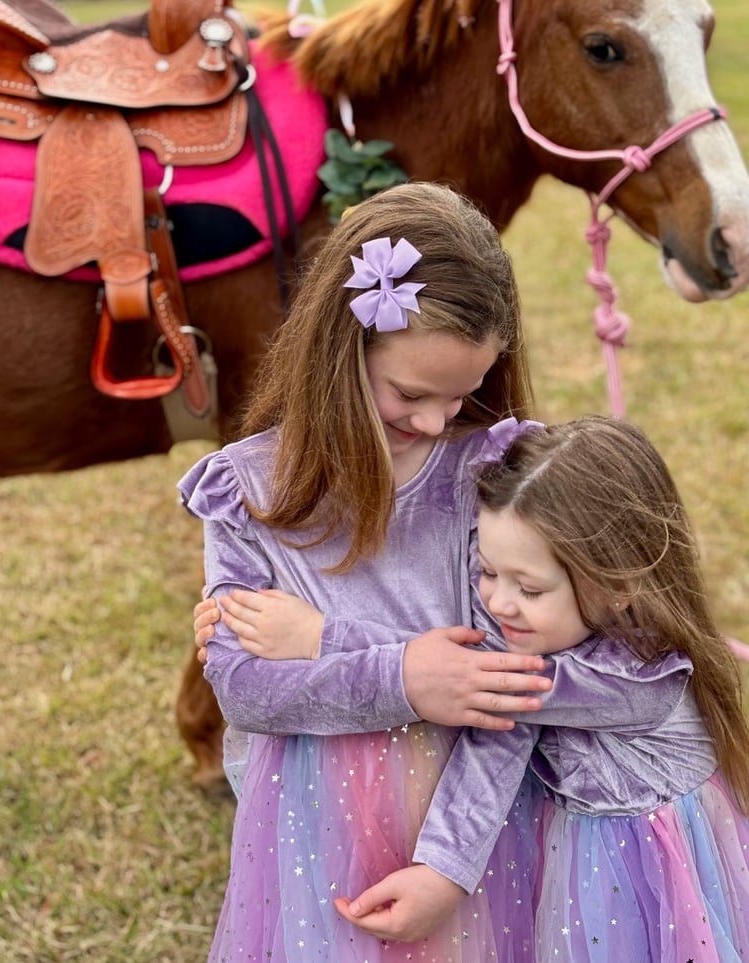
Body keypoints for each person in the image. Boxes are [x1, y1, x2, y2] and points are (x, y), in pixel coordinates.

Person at [178, 182, 553, 962]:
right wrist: (405, 677)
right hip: (318, 821)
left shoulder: (486, 471)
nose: (435, 420)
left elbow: (512, 678)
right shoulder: (249, 490)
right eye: (410, 393)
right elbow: (244, 687)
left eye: (464, 394)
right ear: (341, 351)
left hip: (471, 824)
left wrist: (448, 865)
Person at [244, 415, 749, 961]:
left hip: (644, 878)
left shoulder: (630, 680)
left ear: (618, 586)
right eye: (488, 572)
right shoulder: (548, 639)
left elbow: (466, 673)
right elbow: (488, 716)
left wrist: (320, 636)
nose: (500, 604)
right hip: (584, 858)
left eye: (529, 589)